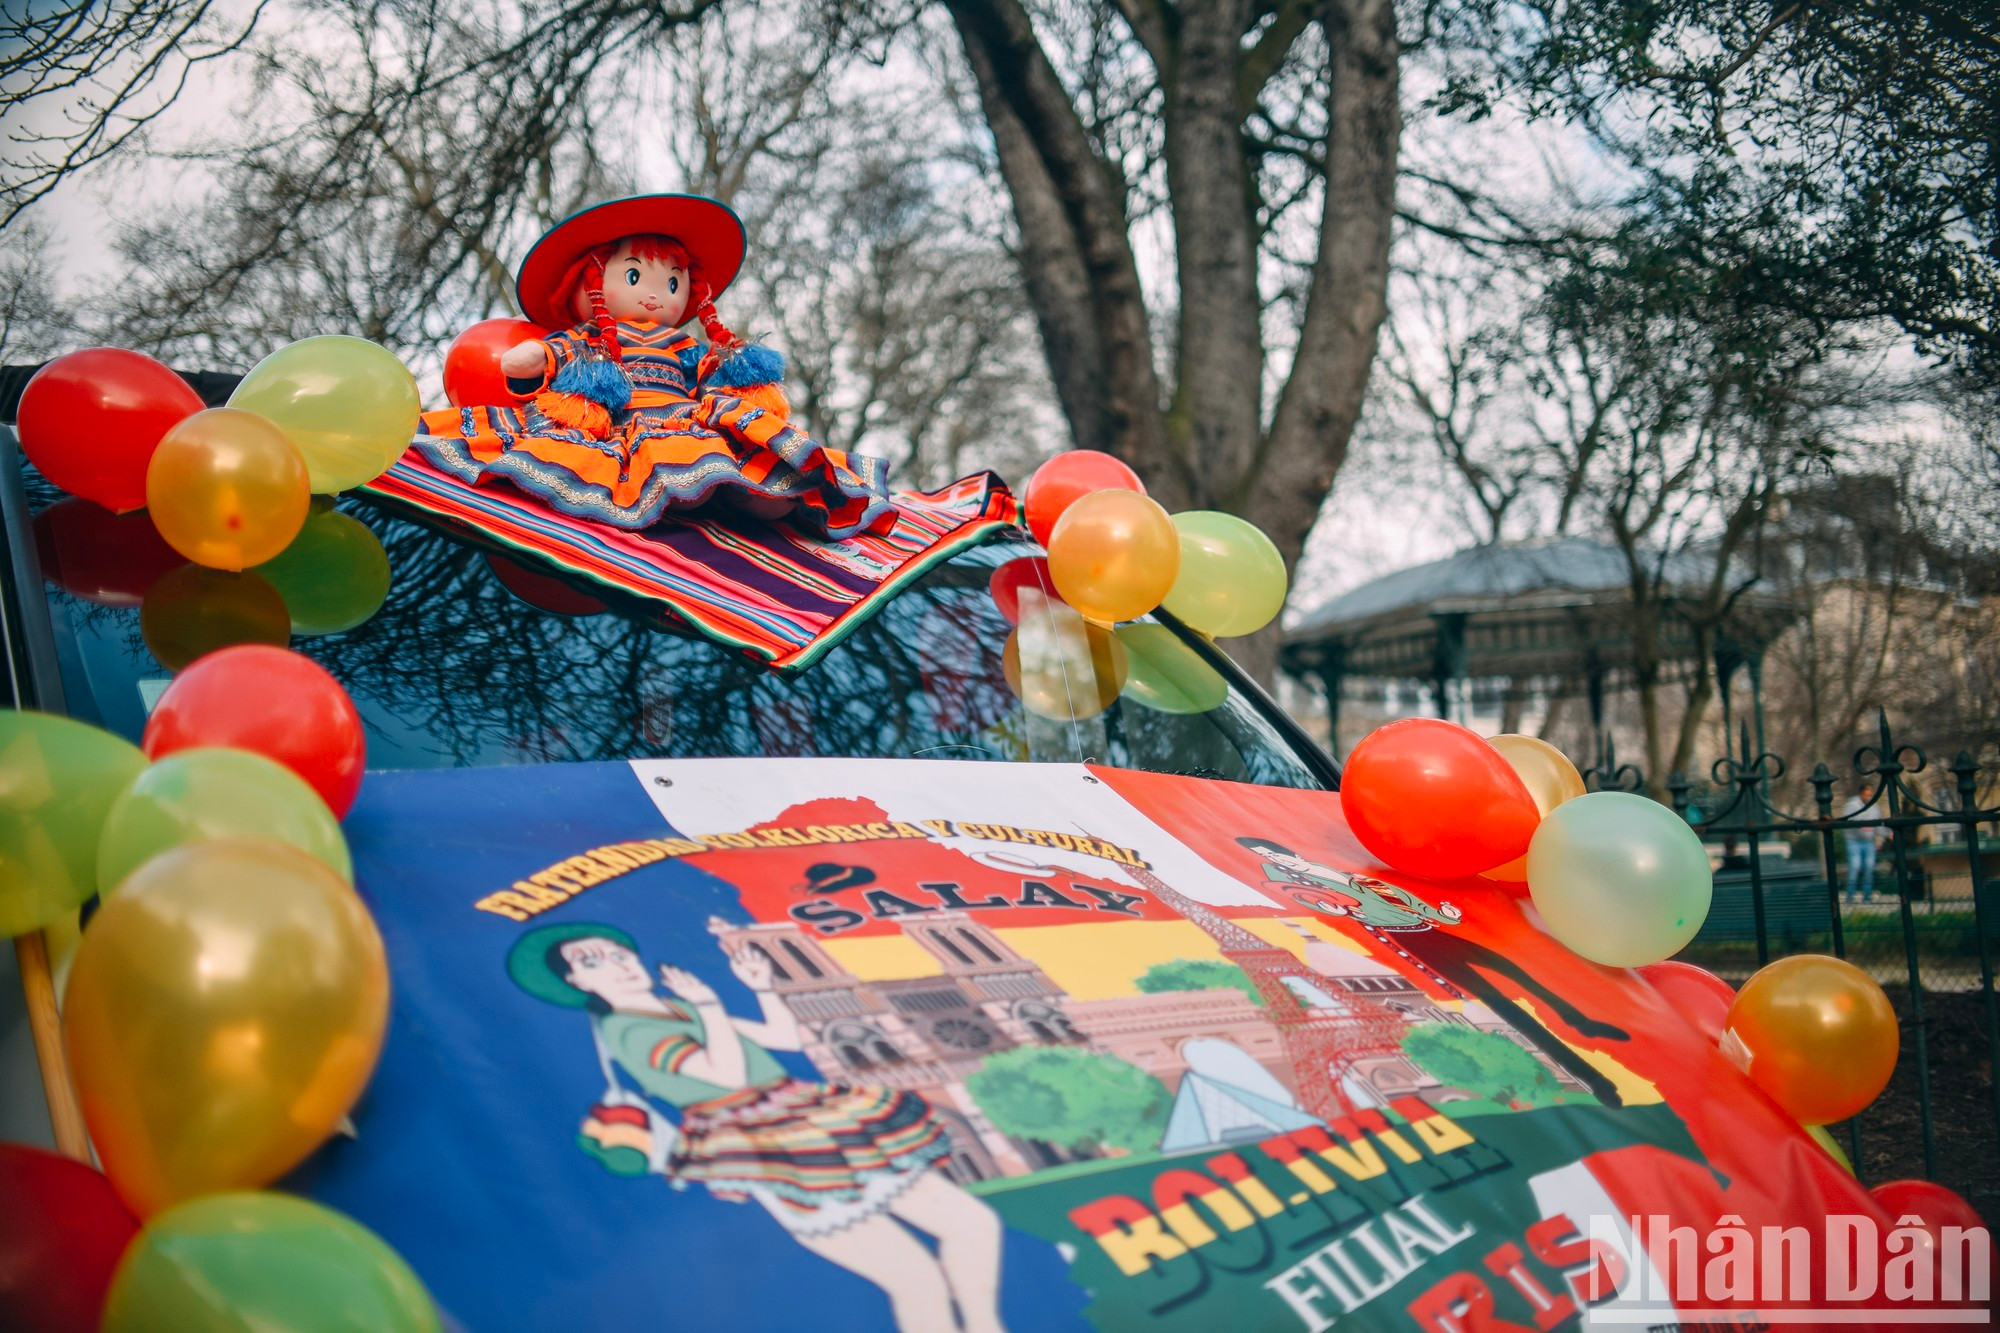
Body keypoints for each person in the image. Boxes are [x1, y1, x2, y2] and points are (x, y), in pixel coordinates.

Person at [509, 919, 1006, 1333]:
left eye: (618, 953)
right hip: (767, 1142)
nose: (617, 965)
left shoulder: (675, 1007)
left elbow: (785, 1039)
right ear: (576, 983)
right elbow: (723, 1075)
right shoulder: (630, 1030)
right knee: (913, 1277)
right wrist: (707, 1006)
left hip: (814, 1116)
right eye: (592, 961)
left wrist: (760, 987)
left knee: (972, 1223)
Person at [416, 194, 896, 537]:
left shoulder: (681, 342)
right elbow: (547, 358)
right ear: (591, 284)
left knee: (724, 448)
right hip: (616, 425)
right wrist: (538, 358)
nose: (654, 293)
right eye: (633, 275)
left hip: (680, 416)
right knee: (579, 457)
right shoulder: (591, 340)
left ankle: (741, 488)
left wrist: (730, 373)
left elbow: (704, 373)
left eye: (672, 283)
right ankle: (706, 492)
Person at [1235, 836, 1630, 1108]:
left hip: (1429, 928)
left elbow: (1394, 895)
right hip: (1409, 943)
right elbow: (1306, 909)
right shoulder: (1285, 882)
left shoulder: (1342, 867)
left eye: (1282, 856)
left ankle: (1577, 1018)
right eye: (1277, 860)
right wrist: (1334, 910)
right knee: (1501, 1005)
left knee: (1512, 969)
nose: (1284, 862)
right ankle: (1594, 1080)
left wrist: (1437, 913)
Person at [1843, 781, 1882, 904]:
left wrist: (1886, 834)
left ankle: (1867, 897)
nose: (1868, 797)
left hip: (1868, 841)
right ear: (1861, 794)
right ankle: (1850, 896)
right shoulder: (1852, 804)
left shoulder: (1874, 806)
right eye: (1866, 794)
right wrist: (1861, 826)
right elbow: (1849, 820)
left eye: (1870, 795)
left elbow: (1878, 825)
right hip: (1854, 840)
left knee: (1869, 868)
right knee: (1855, 866)